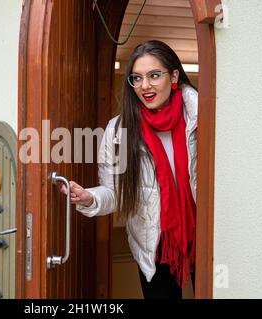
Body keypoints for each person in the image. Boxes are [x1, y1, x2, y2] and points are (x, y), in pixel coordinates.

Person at [60, 40, 198, 299]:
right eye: (137, 78)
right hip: (154, 243)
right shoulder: (119, 132)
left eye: (154, 75)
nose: (145, 86)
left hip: (203, 235)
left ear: (174, 76)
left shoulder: (201, 117)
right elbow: (115, 192)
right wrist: (90, 197)